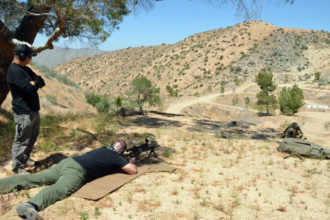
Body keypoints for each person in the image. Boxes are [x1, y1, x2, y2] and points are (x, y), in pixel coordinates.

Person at [0, 140, 137, 220]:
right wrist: (131, 160)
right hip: (77, 171)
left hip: (67, 163)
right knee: (60, 189)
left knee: (35, 178)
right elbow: (132, 171)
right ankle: (31, 205)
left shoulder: (102, 149)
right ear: (121, 151)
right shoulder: (116, 157)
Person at [7, 44, 46, 174]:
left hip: (33, 111)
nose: (31, 59)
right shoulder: (14, 71)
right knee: (22, 140)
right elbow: (29, 89)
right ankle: (17, 168)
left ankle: (25, 158)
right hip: (23, 113)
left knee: (31, 138)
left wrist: (34, 82)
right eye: (30, 56)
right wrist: (33, 84)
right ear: (23, 56)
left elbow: (41, 81)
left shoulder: (25, 69)